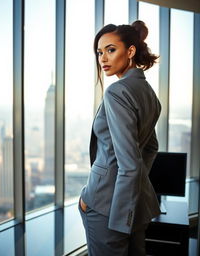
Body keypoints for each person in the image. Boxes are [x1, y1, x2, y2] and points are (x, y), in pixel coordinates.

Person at [78, 20, 161, 256]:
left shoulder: (117, 92)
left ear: (131, 51)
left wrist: (117, 218)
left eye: (111, 50)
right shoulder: (149, 94)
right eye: (99, 52)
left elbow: (130, 164)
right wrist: (133, 194)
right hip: (134, 204)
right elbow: (151, 148)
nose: (103, 58)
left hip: (108, 208)